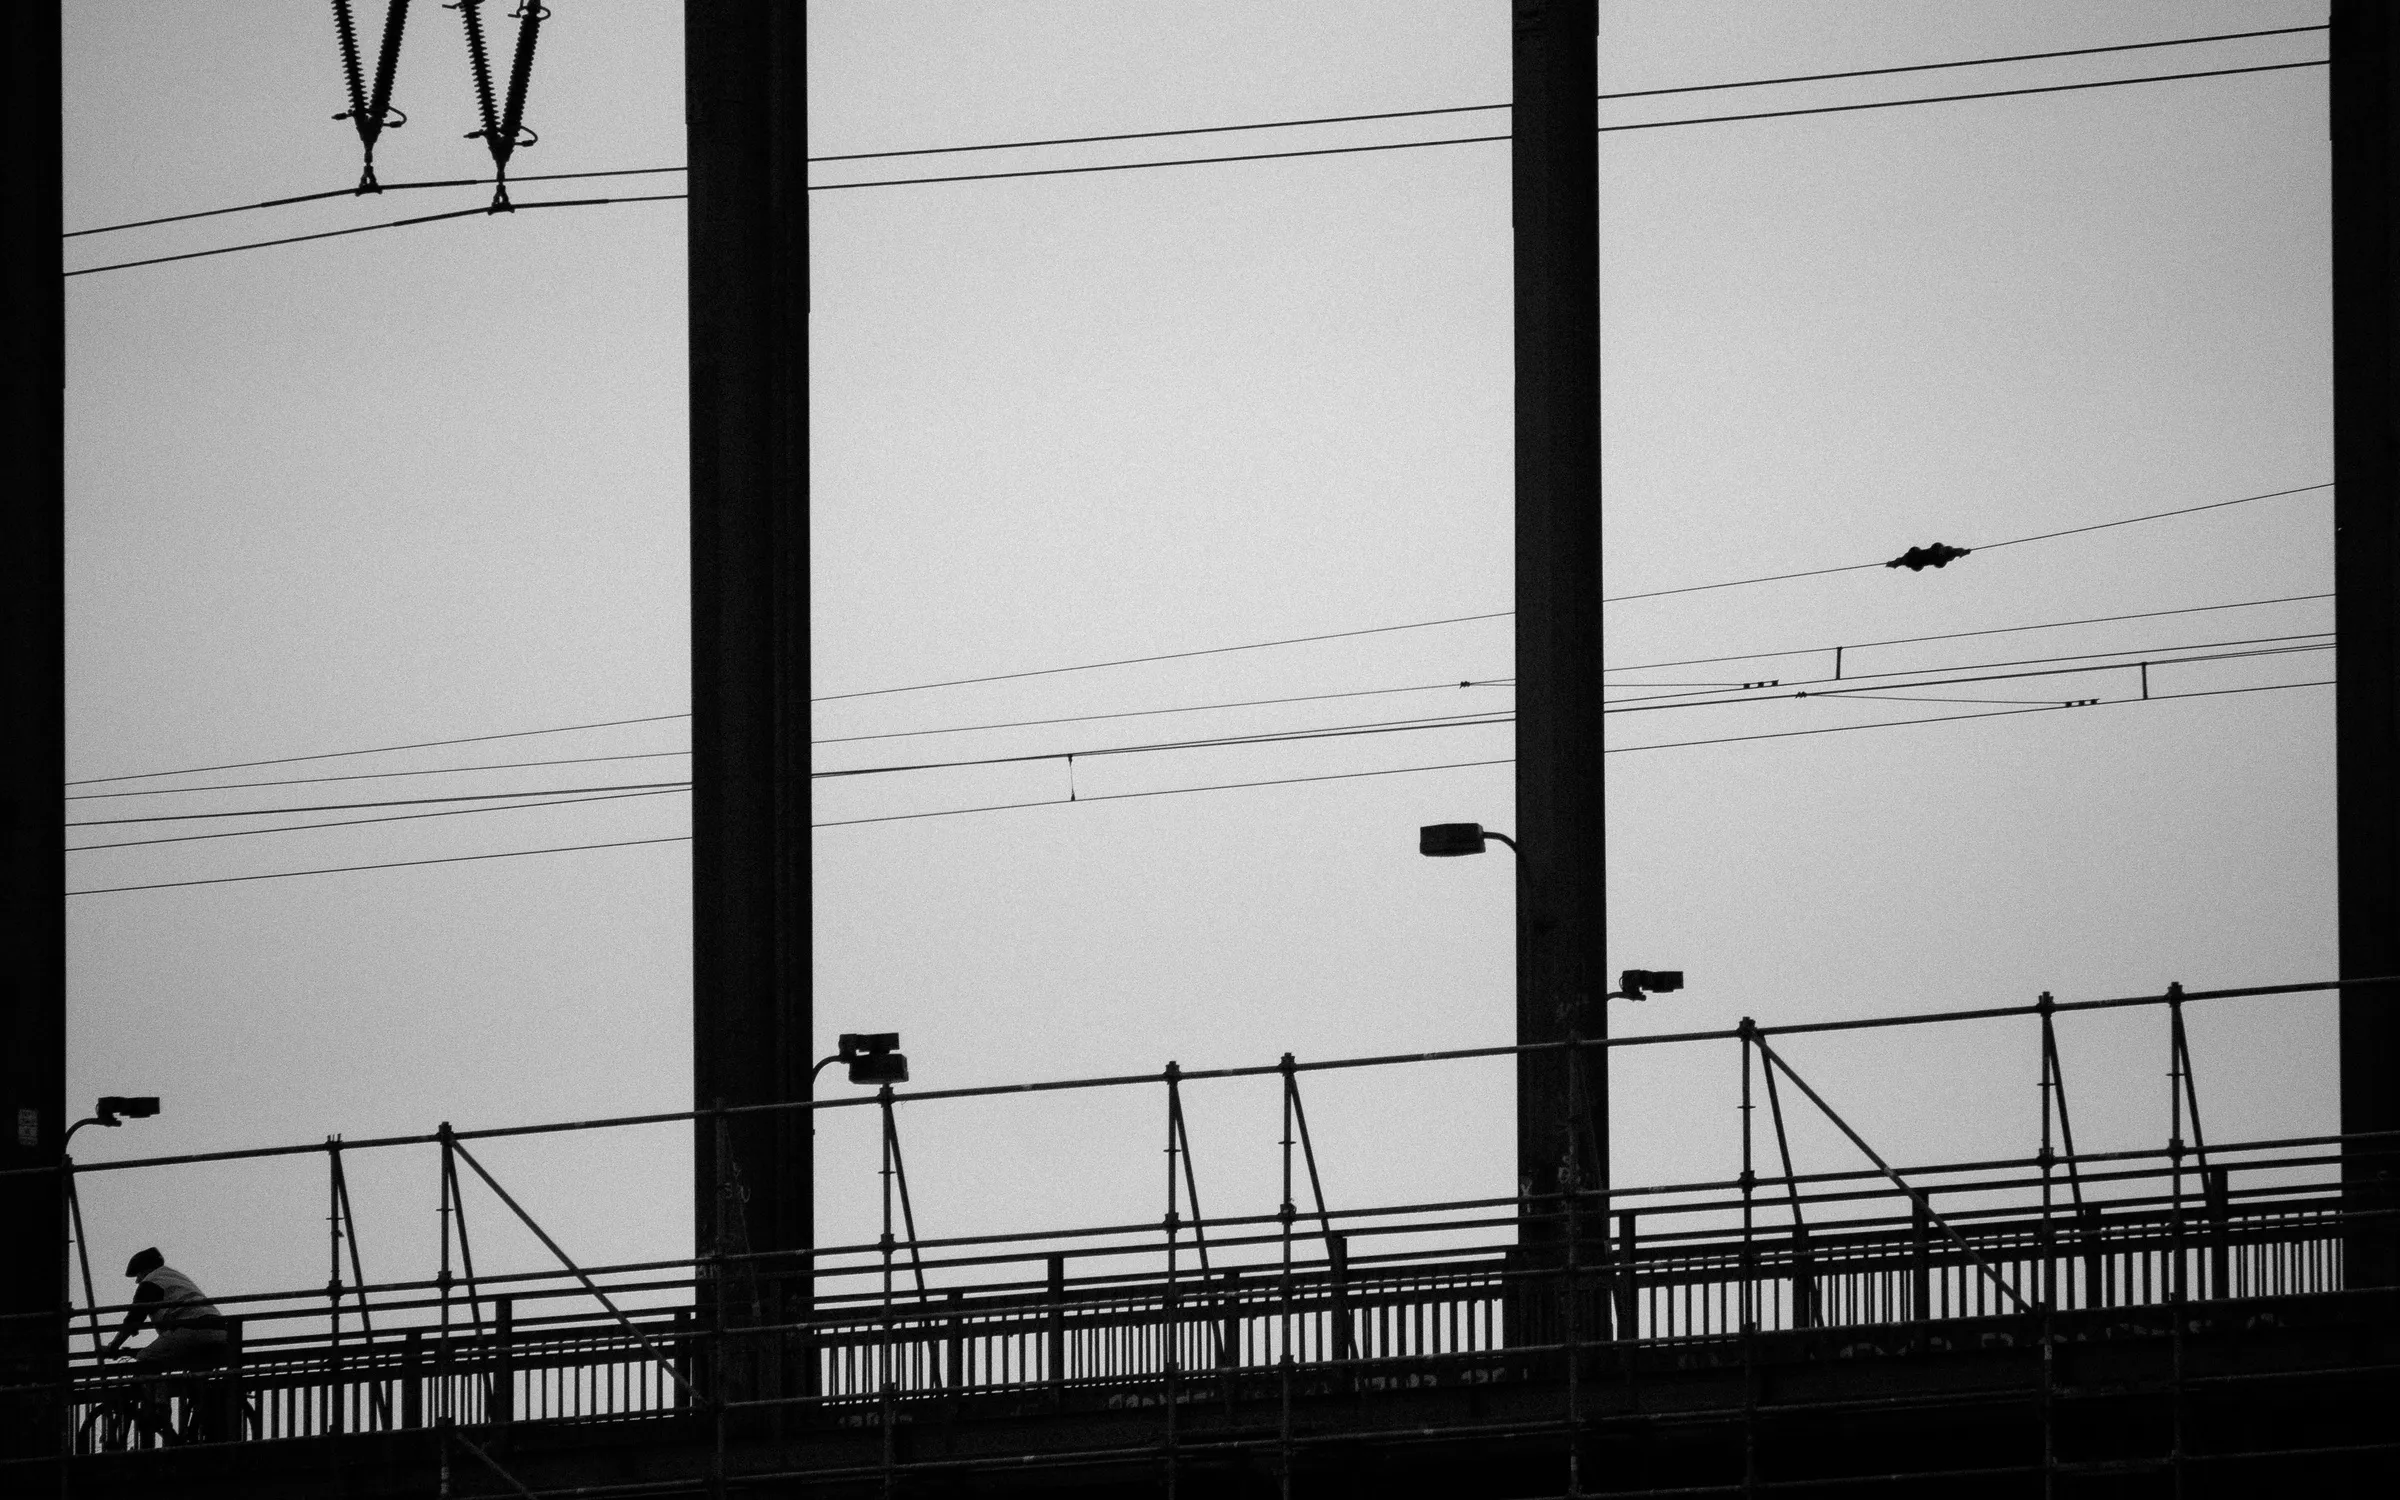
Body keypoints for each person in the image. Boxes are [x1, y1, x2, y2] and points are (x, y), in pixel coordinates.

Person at [104, 1248, 227, 1372]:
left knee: (145, 1359)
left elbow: (134, 1318)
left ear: (147, 1269)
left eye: (138, 1274)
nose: (137, 1280)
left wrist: (113, 1346)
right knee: (195, 1374)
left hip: (192, 1330)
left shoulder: (151, 1281)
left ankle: (163, 1392)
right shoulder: (175, 1277)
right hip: (221, 1332)